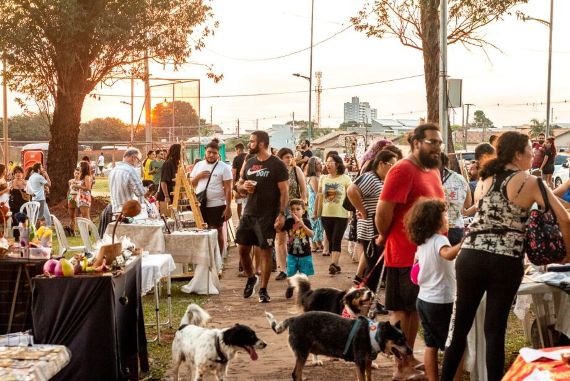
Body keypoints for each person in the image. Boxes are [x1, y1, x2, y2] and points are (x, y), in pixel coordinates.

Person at [441, 131, 570, 381]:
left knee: (459, 330)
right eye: (530, 154)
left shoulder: (483, 179)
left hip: (470, 257)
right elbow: (564, 218)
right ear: (518, 154)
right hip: (504, 260)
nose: (533, 159)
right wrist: (566, 254)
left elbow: (480, 218)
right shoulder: (531, 181)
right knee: (495, 330)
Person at [375, 123, 445, 376]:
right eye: (432, 142)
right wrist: (385, 236)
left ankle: (408, 358)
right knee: (402, 310)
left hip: (426, 254)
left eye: (439, 143)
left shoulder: (432, 170)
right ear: (415, 143)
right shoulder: (402, 170)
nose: (437, 147)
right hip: (404, 252)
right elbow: (383, 211)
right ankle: (400, 365)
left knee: (415, 307)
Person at [405, 199, 463, 381]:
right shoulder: (440, 240)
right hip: (441, 301)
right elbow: (446, 254)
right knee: (453, 345)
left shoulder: (423, 241)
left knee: (431, 344)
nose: (447, 218)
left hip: (424, 299)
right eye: (444, 215)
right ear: (435, 220)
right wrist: (464, 244)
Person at [235, 130, 288, 303]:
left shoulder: (277, 164)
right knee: (242, 249)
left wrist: (281, 214)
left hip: (267, 215)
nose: (249, 144)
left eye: (252, 141)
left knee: (265, 252)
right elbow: (239, 183)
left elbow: (284, 191)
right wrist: (244, 187)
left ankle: (263, 290)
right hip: (249, 212)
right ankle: (251, 277)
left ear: (262, 143)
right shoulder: (249, 162)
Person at [347, 149, 397, 284]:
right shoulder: (370, 177)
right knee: (373, 270)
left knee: (375, 269)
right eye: (392, 165)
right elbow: (352, 190)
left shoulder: (380, 180)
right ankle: (369, 299)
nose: (394, 169)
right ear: (381, 164)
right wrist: (362, 210)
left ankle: (370, 297)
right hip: (370, 230)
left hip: (376, 229)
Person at [190, 140, 233, 255]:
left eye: (214, 153)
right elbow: (191, 184)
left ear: (218, 154)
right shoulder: (198, 165)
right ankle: (206, 257)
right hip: (200, 204)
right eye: (209, 152)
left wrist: (228, 207)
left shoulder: (224, 167)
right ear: (205, 152)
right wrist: (198, 177)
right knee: (202, 231)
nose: (211, 155)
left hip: (217, 205)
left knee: (217, 230)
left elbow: (228, 189)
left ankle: (219, 259)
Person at [315, 153, 352, 275]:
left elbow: (351, 196)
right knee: (331, 240)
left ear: (337, 164)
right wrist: (317, 211)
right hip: (326, 214)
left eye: (331, 161)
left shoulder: (345, 178)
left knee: (336, 239)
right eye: (327, 161)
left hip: (341, 214)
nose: (328, 164)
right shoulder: (323, 178)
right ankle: (335, 264)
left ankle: (333, 264)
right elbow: (319, 196)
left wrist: (351, 212)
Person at [274, 147, 307, 281]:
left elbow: (304, 190)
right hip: (280, 209)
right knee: (280, 240)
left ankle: (296, 267)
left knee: (296, 239)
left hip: (294, 209)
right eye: (286, 157)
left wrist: (302, 208)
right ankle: (283, 269)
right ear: (280, 158)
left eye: (290, 156)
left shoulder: (296, 170)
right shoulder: (275, 172)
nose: (289, 159)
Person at [440, 153, 472, 245]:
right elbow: (467, 204)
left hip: (438, 229)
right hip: (458, 227)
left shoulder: (432, 178)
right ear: (448, 164)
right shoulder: (461, 178)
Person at [283, 198, 314, 277]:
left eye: (298, 209)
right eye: (292, 210)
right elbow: (279, 229)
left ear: (303, 211)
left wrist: (302, 225)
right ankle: (291, 288)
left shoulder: (306, 221)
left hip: (305, 254)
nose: (295, 211)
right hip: (291, 254)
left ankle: (304, 289)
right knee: (290, 275)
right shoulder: (288, 222)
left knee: (304, 277)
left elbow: (311, 234)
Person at [108, 148, 145, 214]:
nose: (138, 163)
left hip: (115, 210)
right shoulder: (131, 170)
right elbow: (140, 192)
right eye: (138, 161)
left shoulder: (113, 170)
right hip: (128, 210)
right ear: (133, 158)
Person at [305, 157, 324, 252]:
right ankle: (316, 244)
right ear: (313, 166)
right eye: (318, 163)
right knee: (316, 222)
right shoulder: (314, 178)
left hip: (315, 201)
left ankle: (316, 243)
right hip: (315, 202)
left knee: (317, 222)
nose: (321, 165)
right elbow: (318, 193)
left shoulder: (319, 177)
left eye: (320, 162)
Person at [156, 144, 181, 215]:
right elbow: (163, 182)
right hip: (166, 197)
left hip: (174, 196)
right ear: (177, 152)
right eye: (182, 152)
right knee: (168, 217)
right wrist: (167, 196)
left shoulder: (176, 163)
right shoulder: (168, 163)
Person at [9, 166, 27, 239]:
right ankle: (16, 236)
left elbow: (31, 192)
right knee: (15, 219)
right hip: (14, 203)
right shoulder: (11, 183)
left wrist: (25, 185)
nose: (18, 174)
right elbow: (8, 193)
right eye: (16, 172)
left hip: (23, 203)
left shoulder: (25, 182)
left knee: (23, 219)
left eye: (19, 172)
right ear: (14, 174)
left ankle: (25, 235)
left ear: (22, 174)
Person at [232, 143, 247, 219]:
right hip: (248, 184)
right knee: (247, 203)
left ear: (238, 149)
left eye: (236, 150)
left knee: (239, 203)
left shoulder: (236, 158)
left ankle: (240, 221)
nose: (236, 152)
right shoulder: (249, 156)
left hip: (239, 184)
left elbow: (234, 173)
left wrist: (233, 185)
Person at [66, 167, 81, 234]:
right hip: (71, 197)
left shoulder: (81, 182)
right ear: (73, 173)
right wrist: (68, 199)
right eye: (75, 173)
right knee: (72, 215)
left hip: (78, 197)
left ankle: (81, 229)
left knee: (79, 214)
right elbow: (69, 191)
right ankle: (72, 230)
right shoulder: (70, 181)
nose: (76, 175)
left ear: (80, 174)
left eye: (78, 173)